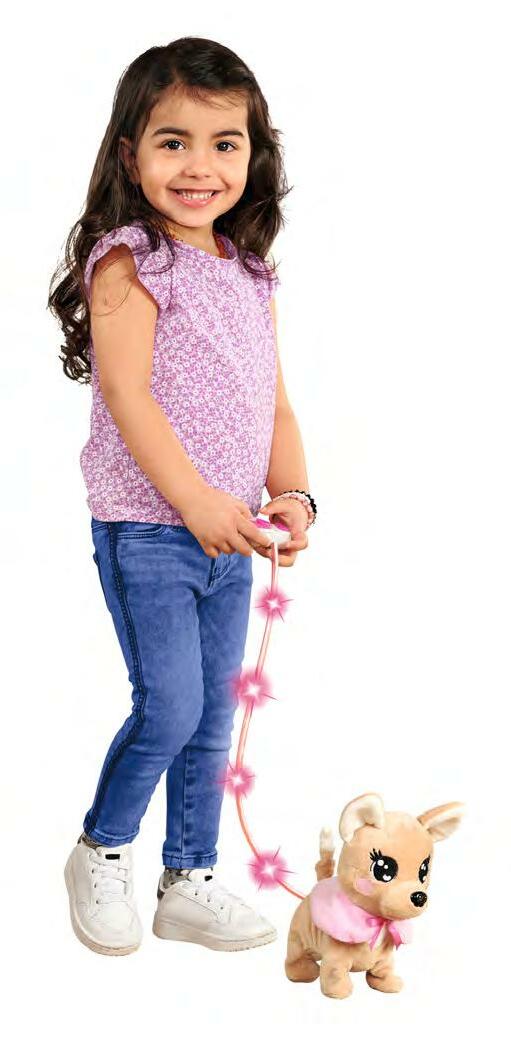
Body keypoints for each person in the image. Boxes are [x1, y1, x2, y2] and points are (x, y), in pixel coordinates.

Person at [48, 36, 317, 958]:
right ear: (131, 155)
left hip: (231, 536)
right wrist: (197, 501)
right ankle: (100, 850)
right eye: (173, 142)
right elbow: (127, 396)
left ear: (252, 155)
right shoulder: (129, 260)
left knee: (210, 719)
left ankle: (189, 878)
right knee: (167, 706)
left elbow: (274, 403)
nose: (199, 166)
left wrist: (294, 496)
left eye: (223, 143)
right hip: (150, 530)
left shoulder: (250, 273)